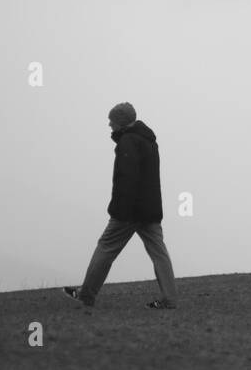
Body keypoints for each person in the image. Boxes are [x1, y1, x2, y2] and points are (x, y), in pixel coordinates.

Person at [64, 102, 178, 309]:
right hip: (150, 209)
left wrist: (119, 211)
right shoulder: (149, 141)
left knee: (105, 248)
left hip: (129, 211)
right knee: (159, 253)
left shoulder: (128, 142)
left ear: (121, 122)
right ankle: (169, 299)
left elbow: (127, 178)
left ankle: (86, 295)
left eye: (112, 121)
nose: (109, 124)